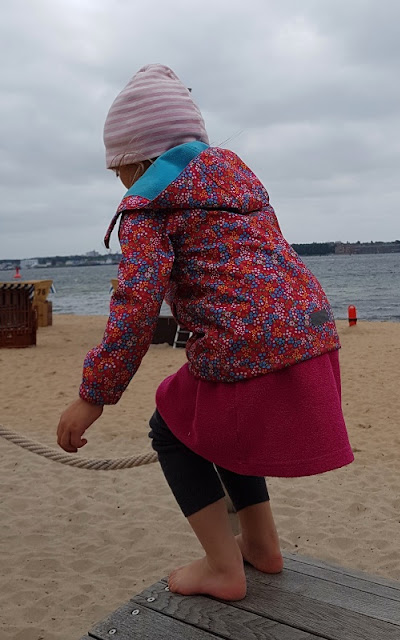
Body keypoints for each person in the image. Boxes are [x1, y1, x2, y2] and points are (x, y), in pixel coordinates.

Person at [57, 64, 354, 601]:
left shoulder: (149, 206)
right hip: (310, 333)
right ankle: (261, 546)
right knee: (210, 428)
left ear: (135, 160)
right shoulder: (240, 185)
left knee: (171, 427)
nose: (119, 181)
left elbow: (136, 305)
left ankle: (223, 566)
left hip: (245, 346)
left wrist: (92, 396)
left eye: (118, 169)